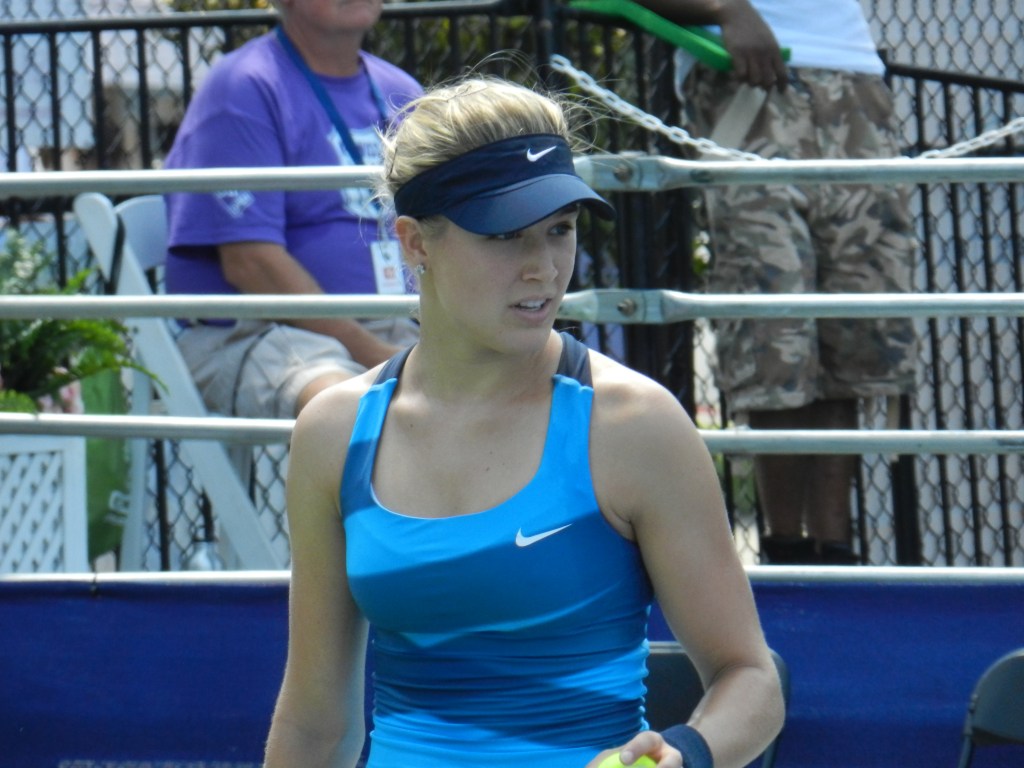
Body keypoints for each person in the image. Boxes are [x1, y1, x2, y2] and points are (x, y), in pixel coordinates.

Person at [263, 76, 784, 768]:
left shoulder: (635, 423)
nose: (543, 267)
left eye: (560, 230)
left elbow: (750, 678)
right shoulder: (332, 432)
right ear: (416, 243)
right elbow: (314, 723)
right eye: (505, 235)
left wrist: (687, 752)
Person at [635, 0, 918, 564]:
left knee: (854, 322)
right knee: (775, 320)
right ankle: (785, 548)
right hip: (746, 73)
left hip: (855, 73)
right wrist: (724, 8)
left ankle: (836, 550)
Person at [162, 0, 423, 420]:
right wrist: (378, 357)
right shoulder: (244, 86)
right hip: (265, 333)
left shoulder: (402, 91)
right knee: (355, 412)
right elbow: (250, 263)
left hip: (396, 325)